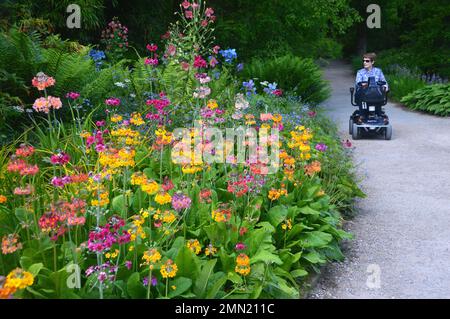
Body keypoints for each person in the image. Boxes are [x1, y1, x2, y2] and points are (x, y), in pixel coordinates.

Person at [355, 52, 389, 123]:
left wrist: (385, 87)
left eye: (367, 61)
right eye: (364, 61)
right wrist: (364, 85)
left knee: (379, 93)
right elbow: (358, 83)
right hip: (364, 95)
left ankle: (380, 116)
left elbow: (384, 82)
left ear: (372, 62)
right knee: (361, 93)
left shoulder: (378, 71)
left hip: (376, 94)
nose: (365, 62)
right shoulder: (360, 72)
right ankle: (362, 116)